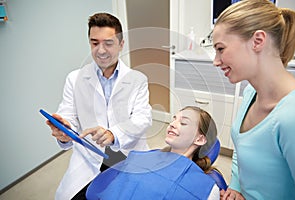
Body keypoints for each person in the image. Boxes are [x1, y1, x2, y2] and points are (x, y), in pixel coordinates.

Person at [45, 13, 152, 200]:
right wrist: (64, 131)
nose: (101, 50)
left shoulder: (137, 80)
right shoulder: (75, 78)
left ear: (121, 44)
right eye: (95, 43)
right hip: (90, 158)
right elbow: (67, 115)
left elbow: (142, 118)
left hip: (129, 155)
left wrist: (114, 135)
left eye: (108, 43)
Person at [212, 0, 295, 199]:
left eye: (220, 49)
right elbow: (241, 147)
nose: (215, 61)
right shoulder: (252, 92)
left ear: (258, 40)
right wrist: (236, 186)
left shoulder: (294, 115)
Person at [85, 106, 223, 200]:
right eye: (174, 119)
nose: (172, 124)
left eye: (183, 123)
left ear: (200, 139)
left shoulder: (208, 189)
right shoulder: (142, 157)